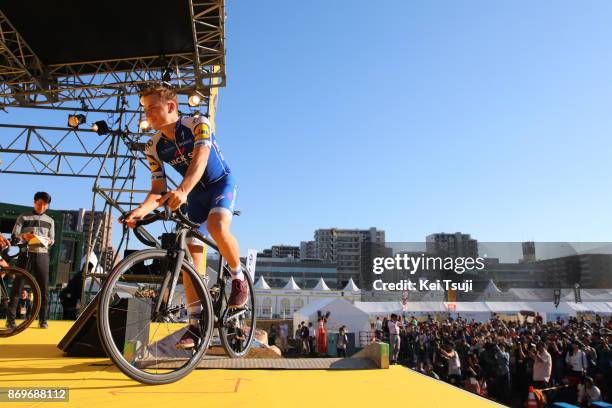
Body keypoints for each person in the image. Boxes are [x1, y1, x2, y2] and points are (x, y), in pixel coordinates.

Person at [121, 86, 246, 349]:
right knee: (190, 257)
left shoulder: (198, 123)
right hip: (194, 195)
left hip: (219, 184)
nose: (148, 114)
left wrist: (182, 190)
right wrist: (139, 211)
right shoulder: (152, 146)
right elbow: (157, 190)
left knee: (217, 225)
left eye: (153, 108)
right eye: (145, 109)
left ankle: (238, 278)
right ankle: (195, 322)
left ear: (171, 106)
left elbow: (200, 159)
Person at [7, 192, 54, 329]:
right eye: (40, 203)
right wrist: (24, 236)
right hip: (25, 254)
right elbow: (14, 236)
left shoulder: (50, 221)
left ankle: (43, 320)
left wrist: (49, 241)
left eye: (45, 204)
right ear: (34, 202)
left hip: (42, 255)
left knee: (43, 288)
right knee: (17, 287)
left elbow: (52, 240)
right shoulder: (23, 217)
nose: (42, 206)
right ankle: (10, 321)